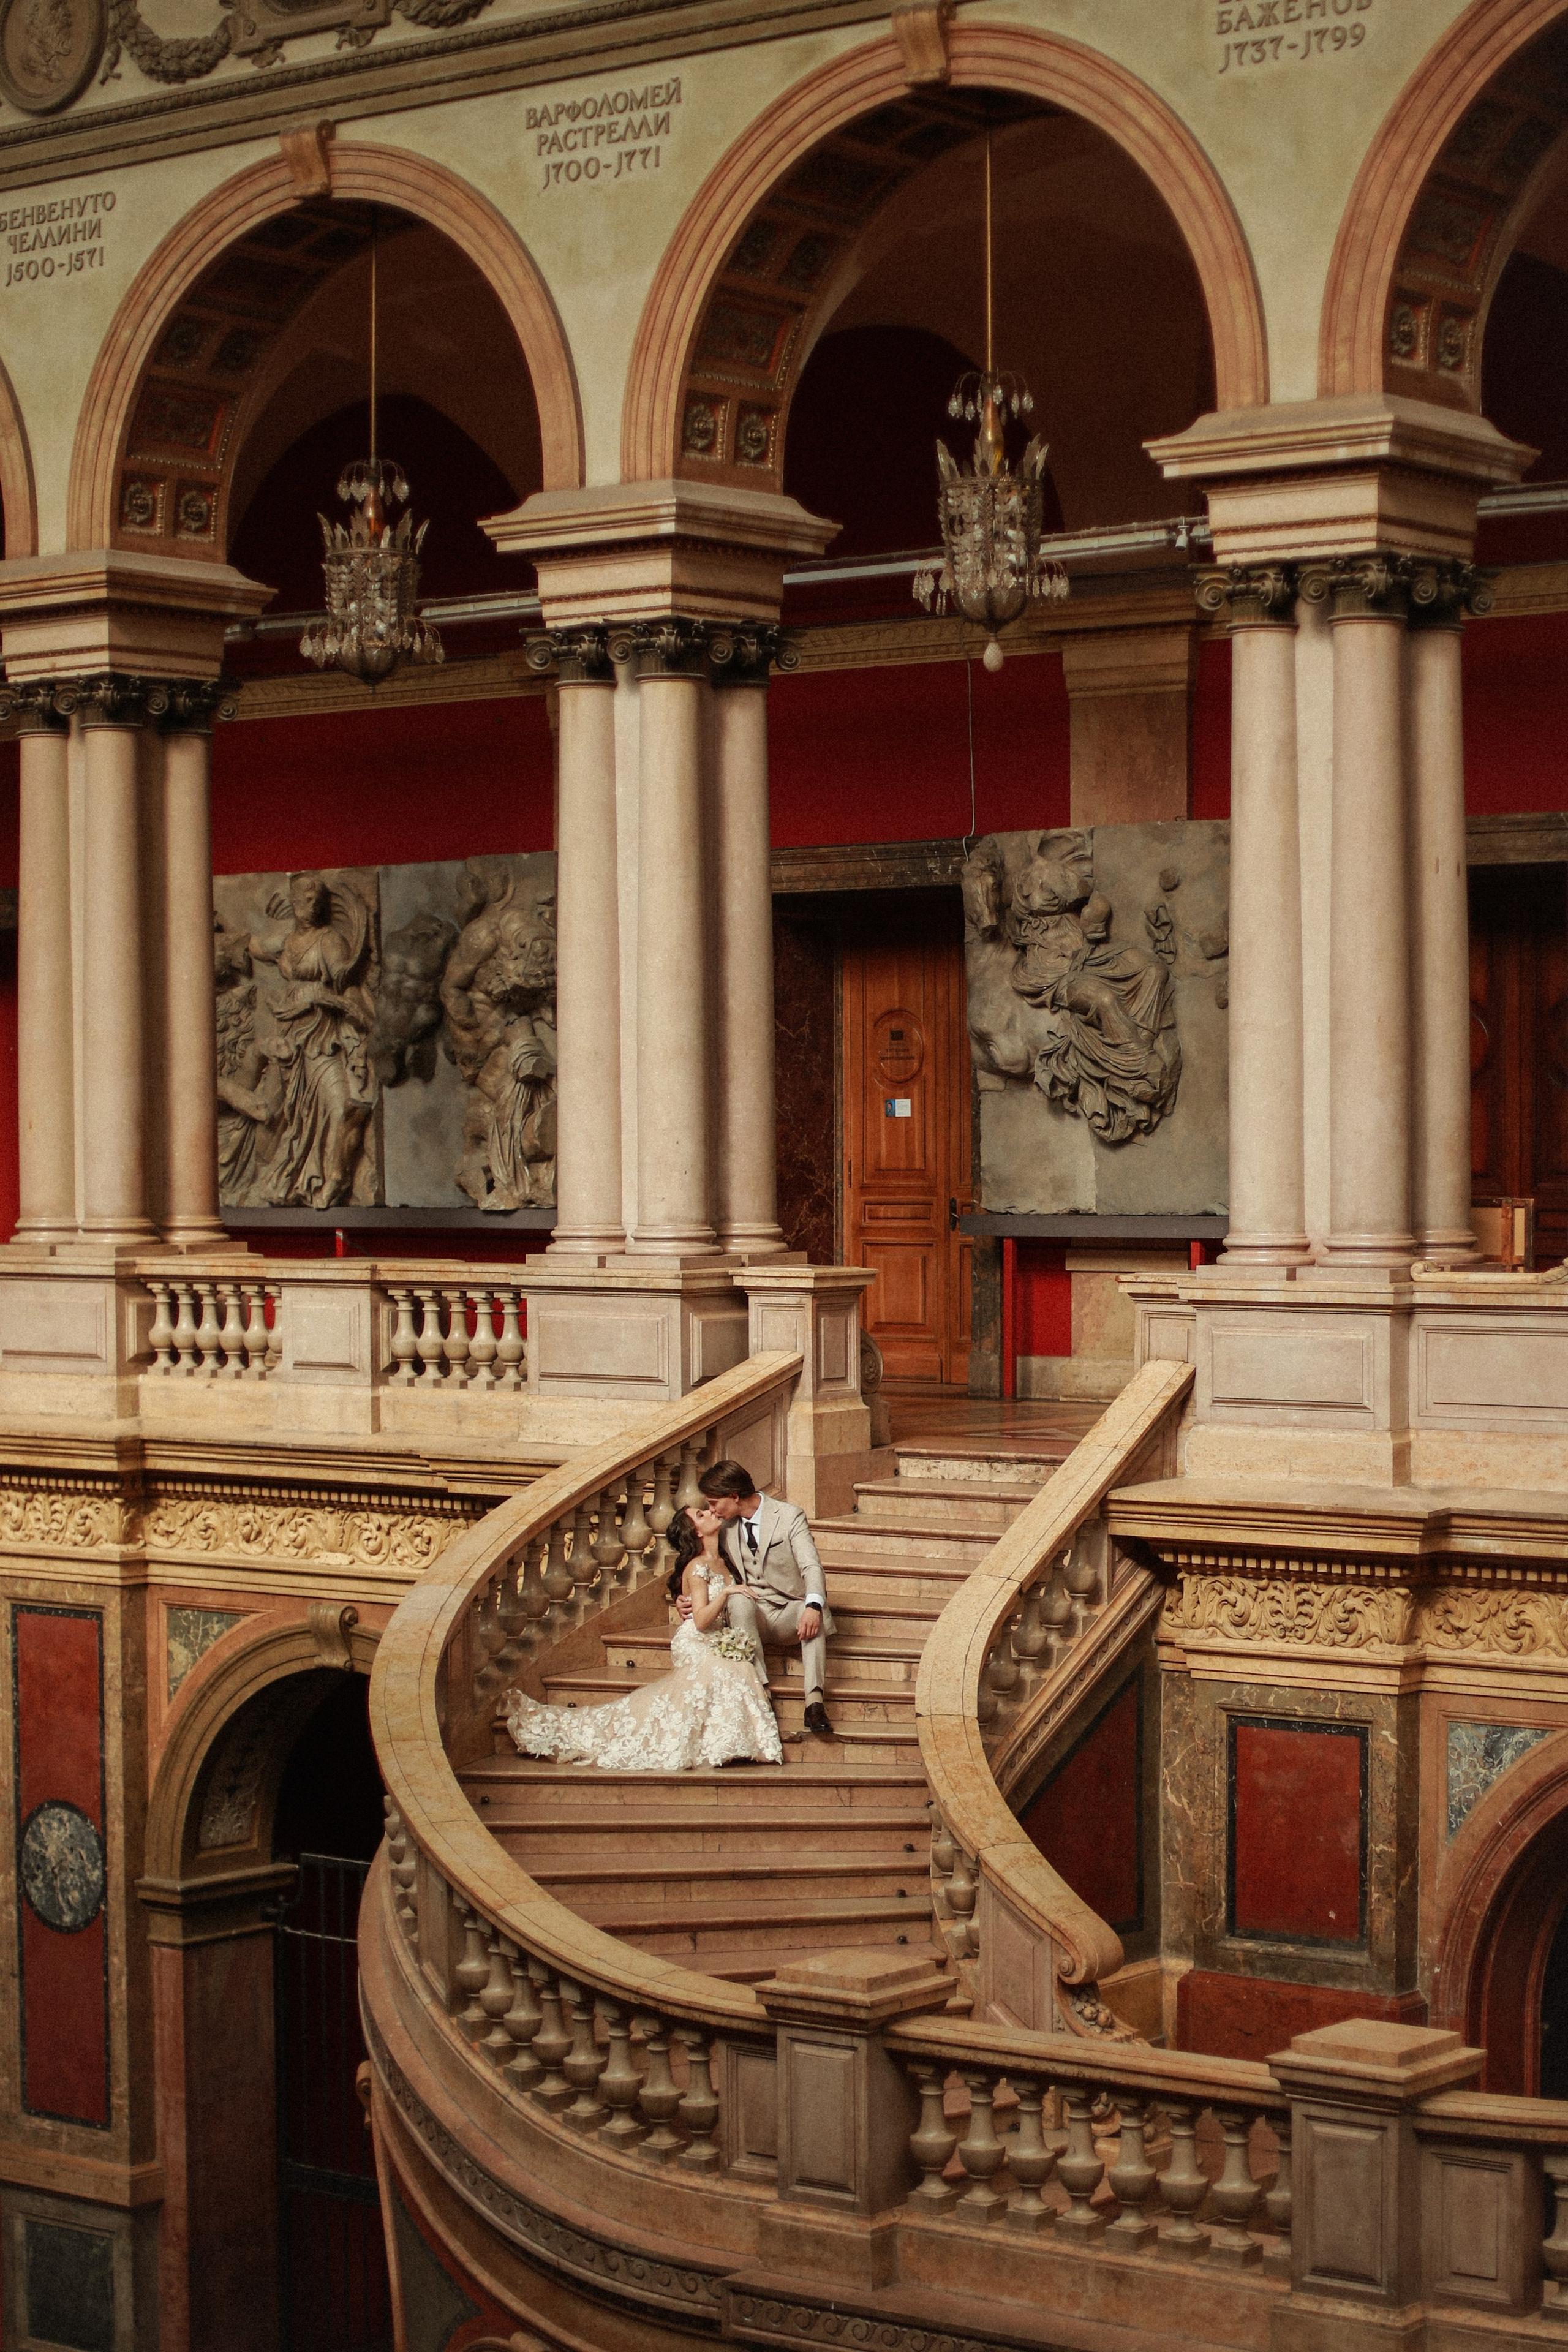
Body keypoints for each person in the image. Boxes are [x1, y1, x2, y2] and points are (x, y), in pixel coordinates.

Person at [502, 1504, 783, 1771]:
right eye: (701, 1514)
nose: (710, 1512)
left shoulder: (726, 1559)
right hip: (696, 1638)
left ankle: (734, 1743)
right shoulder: (698, 1567)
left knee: (739, 1668)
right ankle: (719, 1745)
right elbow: (699, 1621)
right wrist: (725, 1593)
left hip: (718, 1638)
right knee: (724, 1671)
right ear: (697, 1532)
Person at [692, 1461, 834, 1735]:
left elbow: (811, 1566)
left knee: (814, 1608)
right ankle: (761, 1693)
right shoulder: (724, 1527)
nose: (711, 1510)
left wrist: (813, 1606)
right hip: (754, 1613)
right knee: (737, 1599)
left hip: (789, 1610)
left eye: (713, 1502)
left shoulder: (789, 1515)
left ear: (734, 1496)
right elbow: (694, 1561)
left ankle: (814, 1701)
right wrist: (681, 1596)